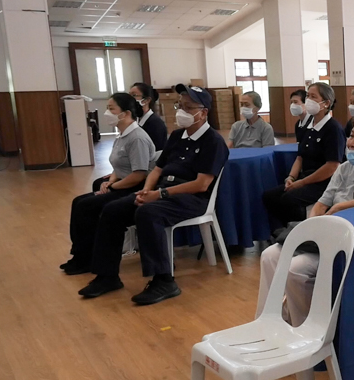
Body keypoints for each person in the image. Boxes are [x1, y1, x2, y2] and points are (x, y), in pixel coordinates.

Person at [76, 84, 229, 305]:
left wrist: (160, 195)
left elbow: (201, 184)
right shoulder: (177, 136)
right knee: (112, 209)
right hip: (162, 192)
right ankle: (107, 276)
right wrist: (147, 189)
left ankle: (164, 281)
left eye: (188, 107)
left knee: (148, 213)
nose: (181, 111)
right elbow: (157, 169)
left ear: (203, 112)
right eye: (180, 105)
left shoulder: (213, 142)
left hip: (192, 198)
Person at [256, 114, 354, 325]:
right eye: (351, 135)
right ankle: (267, 321)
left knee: (295, 268)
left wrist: (342, 206)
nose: (351, 142)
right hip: (325, 236)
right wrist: (313, 227)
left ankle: (304, 328)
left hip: (351, 244)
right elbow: (322, 203)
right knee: (269, 255)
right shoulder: (345, 169)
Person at [60, 93, 156, 275]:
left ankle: (86, 258)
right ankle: (81, 255)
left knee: (86, 206)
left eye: (111, 109)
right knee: (78, 202)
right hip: (122, 183)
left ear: (125, 113)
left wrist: (112, 187)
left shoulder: (137, 138)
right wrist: (110, 181)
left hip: (134, 188)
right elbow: (119, 165)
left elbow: (139, 175)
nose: (107, 112)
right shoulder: (123, 135)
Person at [262, 83, 346, 228]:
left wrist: (302, 182)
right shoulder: (308, 126)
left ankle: (303, 229)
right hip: (305, 178)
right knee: (269, 196)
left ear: (326, 103)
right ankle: (281, 230)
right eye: (308, 96)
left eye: (313, 97)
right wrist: (291, 177)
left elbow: (332, 166)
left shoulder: (333, 129)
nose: (309, 100)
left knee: (289, 199)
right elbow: (300, 157)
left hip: (325, 182)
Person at [129, 82, 168, 151]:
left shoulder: (155, 123)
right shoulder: (137, 120)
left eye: (134, 95)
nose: (129, 99)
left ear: (146, 100)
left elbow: (156, 150)